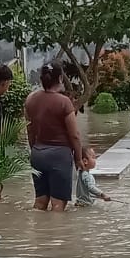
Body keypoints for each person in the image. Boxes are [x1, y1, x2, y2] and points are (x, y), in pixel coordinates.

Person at [25, 61, 84, 211]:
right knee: (58, 204)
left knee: (40, 201)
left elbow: (30, 130)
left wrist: (35, 150)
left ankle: (38, 232)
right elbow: (74, 135)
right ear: (60, 79)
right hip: (59, 156)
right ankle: (54, 234)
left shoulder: (30, 99)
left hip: (38, 154)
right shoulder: (64, 102)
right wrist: (78, 158)